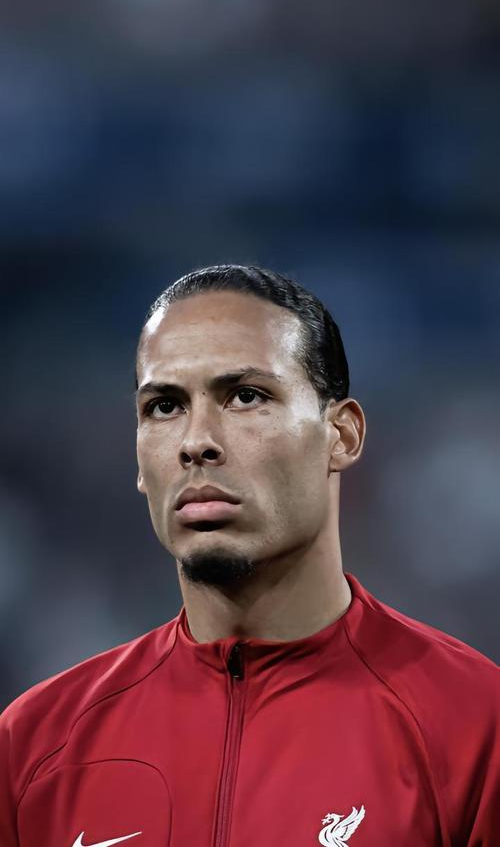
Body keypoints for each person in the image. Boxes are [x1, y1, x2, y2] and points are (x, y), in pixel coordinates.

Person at [0, 263, 498, 847]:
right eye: (164, 407)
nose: (196, 442)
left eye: (245, 396)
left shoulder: (475, 726)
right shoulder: (32, 746)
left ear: (342, 436)